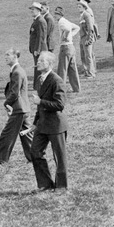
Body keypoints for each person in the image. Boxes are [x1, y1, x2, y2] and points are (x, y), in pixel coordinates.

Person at [27, 51, 71, 191]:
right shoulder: (40, 79)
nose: (38, 63)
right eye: (38, 60)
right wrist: (35, 123)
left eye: (41, 61)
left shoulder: (56, 80)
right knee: (35, 152)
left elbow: (60, 105)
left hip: (56, 125)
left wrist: (41, 101)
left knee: (59, 157)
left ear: (50, 64)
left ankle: (61, 186)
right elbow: (40, 106)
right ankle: (45, 184)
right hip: (42, 124)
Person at [0, 49, 31, 166]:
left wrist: (6, 103)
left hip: (19, 109)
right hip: (23, 108)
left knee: (7, 134)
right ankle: (35, 157)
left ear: (16, 56)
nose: (5, 57)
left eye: (8, 55)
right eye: (5, 54)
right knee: (26, 134)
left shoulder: (17, 72)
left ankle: (0, 159)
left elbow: (15, 93)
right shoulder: (17, 70)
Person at [53, 6, 82, 90]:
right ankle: (77, 88)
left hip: (65, 47)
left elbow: (66, 30)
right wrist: (71, 36)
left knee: (62, 69)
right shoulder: (66, 21)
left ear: (60, 15)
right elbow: (77, 27)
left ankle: (60, 88)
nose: (55, 16)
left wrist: (65, 37)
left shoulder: (61, 22)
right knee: (72, 69)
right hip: (71, 47)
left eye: (56, 14)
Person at [28, 2, 48, 89]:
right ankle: (38, 85)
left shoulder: (40, 21)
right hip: (36, 49)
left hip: (39, 50)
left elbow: (41, 37)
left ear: (38, 10)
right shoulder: (37, 20)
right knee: (38, 67)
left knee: (40, 67)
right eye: (31, 9)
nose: (31, 11)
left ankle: (40, 86)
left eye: (33, 9)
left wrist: (37, 49)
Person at [77, 0, 98, 78]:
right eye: (78, 7)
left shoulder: (87, 14)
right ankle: (87, 72)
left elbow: (90, 28)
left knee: (88, 56)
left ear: (84, 7)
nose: (78, 9)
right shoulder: (82, 15)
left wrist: (89, 39)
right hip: (82, 37)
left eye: (80, 7)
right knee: (84, 55)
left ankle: (91, 73)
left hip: (86, 37)